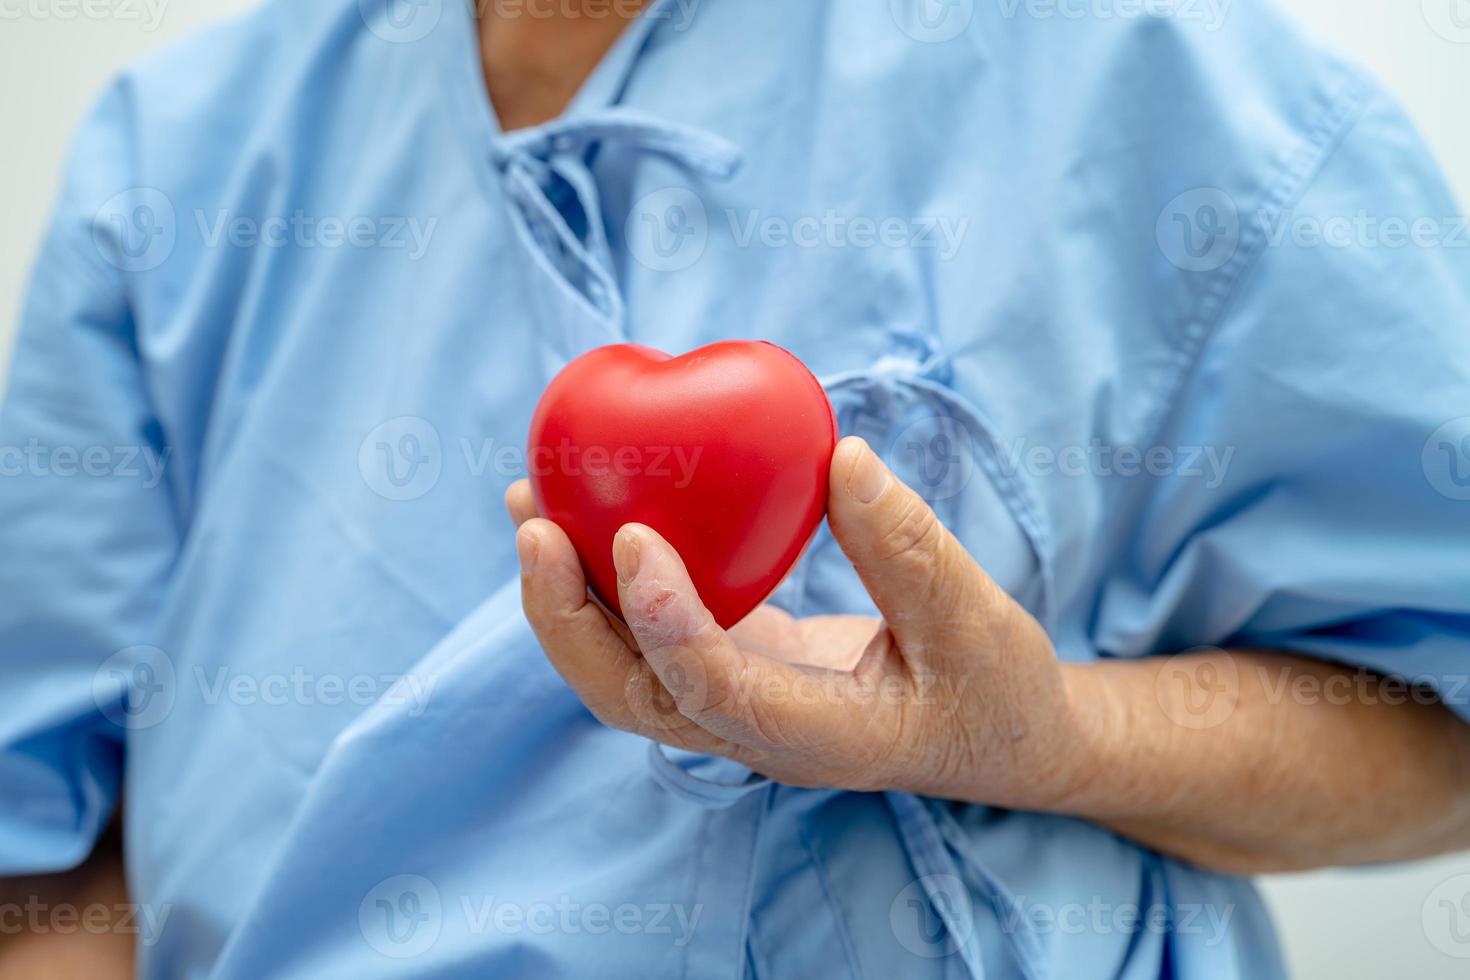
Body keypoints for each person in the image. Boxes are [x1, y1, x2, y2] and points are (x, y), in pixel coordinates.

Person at [3, 0, 1469, 976]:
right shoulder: (178, 160)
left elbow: (1435, 731)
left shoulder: (1175, 93)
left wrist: (1048, 742)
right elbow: (51, 870)